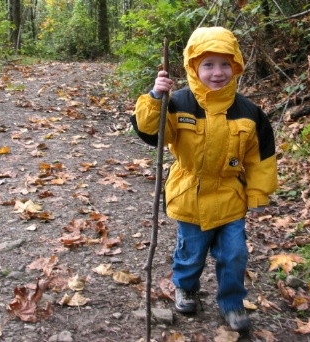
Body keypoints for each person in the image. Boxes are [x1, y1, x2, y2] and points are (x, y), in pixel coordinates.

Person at [130, 26, 278, 333]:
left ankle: (232, 303)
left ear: (236, 66)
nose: (218, 72)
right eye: (208, 64)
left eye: (225, 64)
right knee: (190, 251)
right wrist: (156, 96)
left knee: (235, 254)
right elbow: (150, 132)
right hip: (189, 195)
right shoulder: (177, 102)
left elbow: (260, 159)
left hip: (230, 198)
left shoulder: (249, 113)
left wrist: (258, 194)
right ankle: (185, 287)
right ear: (193, 67)